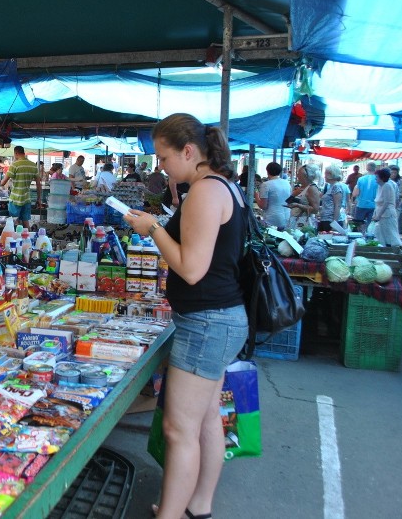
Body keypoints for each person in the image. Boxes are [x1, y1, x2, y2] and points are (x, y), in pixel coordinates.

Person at [121, 113, 247, 519]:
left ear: (188, 151)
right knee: (208, 418)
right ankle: (198, 506)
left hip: (207, 322)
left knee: (180, 429)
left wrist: (153, 229)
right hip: (221, 318)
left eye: (163, 157)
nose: (161, 166)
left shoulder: (206, 192)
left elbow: (191, 268)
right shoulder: (222, 186)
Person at [1, 146, 42, 228]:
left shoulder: (15, 165)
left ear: (16, 153)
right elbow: (38, 184)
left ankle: (16, 239)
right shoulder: (33, 165)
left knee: (14, 222)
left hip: (15, 198)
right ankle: (28, 238)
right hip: (26, 198)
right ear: (24, 153)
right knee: (25, 222)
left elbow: (3, 182)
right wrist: (39, 199)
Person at [372, 167, 402, 247]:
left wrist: (378, 216)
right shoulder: (380, 186)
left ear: (382, 178)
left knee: (390, 235)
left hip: (387, 214)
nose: (375, 178)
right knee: (382, 234)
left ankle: (392, 251)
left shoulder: (387, 186)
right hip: (382, 214)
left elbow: (386, 203)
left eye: (377, 177)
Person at [254, 162, 290, 229]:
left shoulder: (266, 185)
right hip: (286, 216)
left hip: (273, 218)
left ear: (267, 171)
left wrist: (256, 195)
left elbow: (263, 206)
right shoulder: (286, 183)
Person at [288, 164, 321, 229]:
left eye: (299, 174)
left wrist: (298, 205)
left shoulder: (312, 188)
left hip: (303, 223)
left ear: (306, 176)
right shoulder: (301, 187)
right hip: (295, 221)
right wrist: (294, 194)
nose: (297, 176)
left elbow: (315, 210)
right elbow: (288, 202)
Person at [351, 162, 378, 231]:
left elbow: (356, 193)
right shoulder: (378, 180)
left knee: (359, 224)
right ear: (375, 169)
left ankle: (359, 238)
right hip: (373, 205)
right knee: (370, 226)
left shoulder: (361, 179)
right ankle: (368, 238)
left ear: (367, 168)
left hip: (361, 204)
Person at [318, 165, 346, 232]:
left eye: (326, 173)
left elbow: (337, 205)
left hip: (330, 220)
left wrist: (334, 223)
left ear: (331, 175)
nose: (324, 176)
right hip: (326, 219)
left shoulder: (336, 187)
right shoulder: (331, 186)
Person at [389, 165, 402, 232]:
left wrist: (396, 195)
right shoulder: (387, 181)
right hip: (389, 204)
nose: (393, 174)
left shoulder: (399, 181)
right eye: (392, 172)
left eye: (395, 173)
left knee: (395, 220)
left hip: (397, 204)